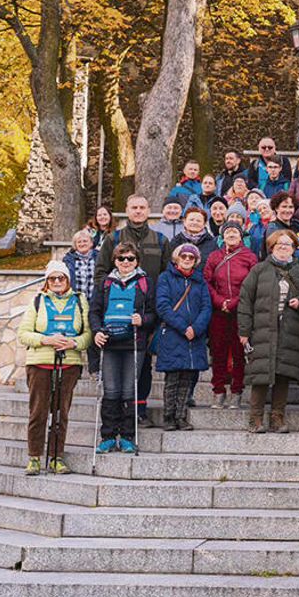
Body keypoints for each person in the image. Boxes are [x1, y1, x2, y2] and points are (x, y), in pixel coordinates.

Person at [93, 194, 172, 427]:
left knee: (143, 364)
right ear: (127, 210)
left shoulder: (159, 240)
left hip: (149, 313)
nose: (138, 211)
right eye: (134, 207)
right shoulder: (113, 239)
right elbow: (100, 274)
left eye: (142, 207)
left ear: (148, 210)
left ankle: (139, 409)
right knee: (115, 366)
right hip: (117, 314)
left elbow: (167, 276)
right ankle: (115, 413)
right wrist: (109, 300)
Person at [17, 261, 92, 475]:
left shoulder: (80, 301)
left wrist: (74, 343)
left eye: (61, 278)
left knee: (61, 413)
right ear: (47, 281)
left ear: (68, 280)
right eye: (52, 278)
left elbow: (88, 334)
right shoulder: (38, 300)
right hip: (40, 363)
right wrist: (46, 340)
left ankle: (56, 457)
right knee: (39, 412)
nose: (57, 282)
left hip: (68, 363)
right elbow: (23, 334)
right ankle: (34, 457)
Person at [238, 229, 299, 432]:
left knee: (283, 374)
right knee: (260, 375)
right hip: (262, 329)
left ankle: (277, 417)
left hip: (291, 329)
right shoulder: (259, 270)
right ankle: (256, 418)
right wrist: (244, 331)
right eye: (279, 244)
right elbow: (245, 300)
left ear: (294, 248)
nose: (283, 248)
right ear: (271, 247)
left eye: (287, 244)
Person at [90, 242, 156, 454]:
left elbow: (155, 313)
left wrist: (143, 319)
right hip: (110, 344)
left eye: (130, 258)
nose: (126, 262)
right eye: (121, 258)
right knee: (110, 391)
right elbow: (94, 311)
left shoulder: (145, 282)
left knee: (129, 390)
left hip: (134, 343)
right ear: (114, 261)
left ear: (137, 261)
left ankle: (127, 436)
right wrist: (97, 331)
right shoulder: (105, 283)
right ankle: (108, 436)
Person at [155, 244, 212, 431]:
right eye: (184, 256)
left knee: (188, 377)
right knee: (172, 378)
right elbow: (163, 306)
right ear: (176, 258)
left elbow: (206, 308)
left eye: (191, 257)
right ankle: (169, 416)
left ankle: (181, 416)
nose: (187, 259)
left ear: (196, 261)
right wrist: (183, 327)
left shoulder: (200, 281)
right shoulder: (165, 278)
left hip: (194, 336)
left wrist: (195, 328)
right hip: (173, 334)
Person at [203, 221, 259, 409]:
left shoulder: (249, 257)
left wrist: (234, 302)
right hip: (218, 311)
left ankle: (236, 391)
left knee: (238, 353)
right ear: (222, 236)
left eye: (235, 231)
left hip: (240, 311)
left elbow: (252, 283)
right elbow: (207, 282)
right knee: (217, 351)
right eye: (228, 231)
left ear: (241, 235)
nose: (231, 234)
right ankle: (218, 390)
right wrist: (220, 301)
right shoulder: (214, 257)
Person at [63, 229, 98, 304]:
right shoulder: (68, 260)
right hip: (75, 302)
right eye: (79, 242)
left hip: (95, 302)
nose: (82, 244)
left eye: (85, 241)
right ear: (75, 245)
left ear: (91, 243)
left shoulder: (99, 257)